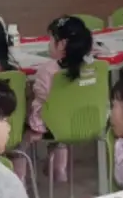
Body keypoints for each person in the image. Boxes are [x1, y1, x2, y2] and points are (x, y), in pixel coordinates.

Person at [24, 16, 94, 182]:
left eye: (50, 39)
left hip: (51, 124)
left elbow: (41, 94)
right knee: (61, 126)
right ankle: (59, 168)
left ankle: (20, 178)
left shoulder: (47, 70)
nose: (48, 44)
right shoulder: (92, 66)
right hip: (83, 119)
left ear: (61, 44)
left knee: (21, 137)